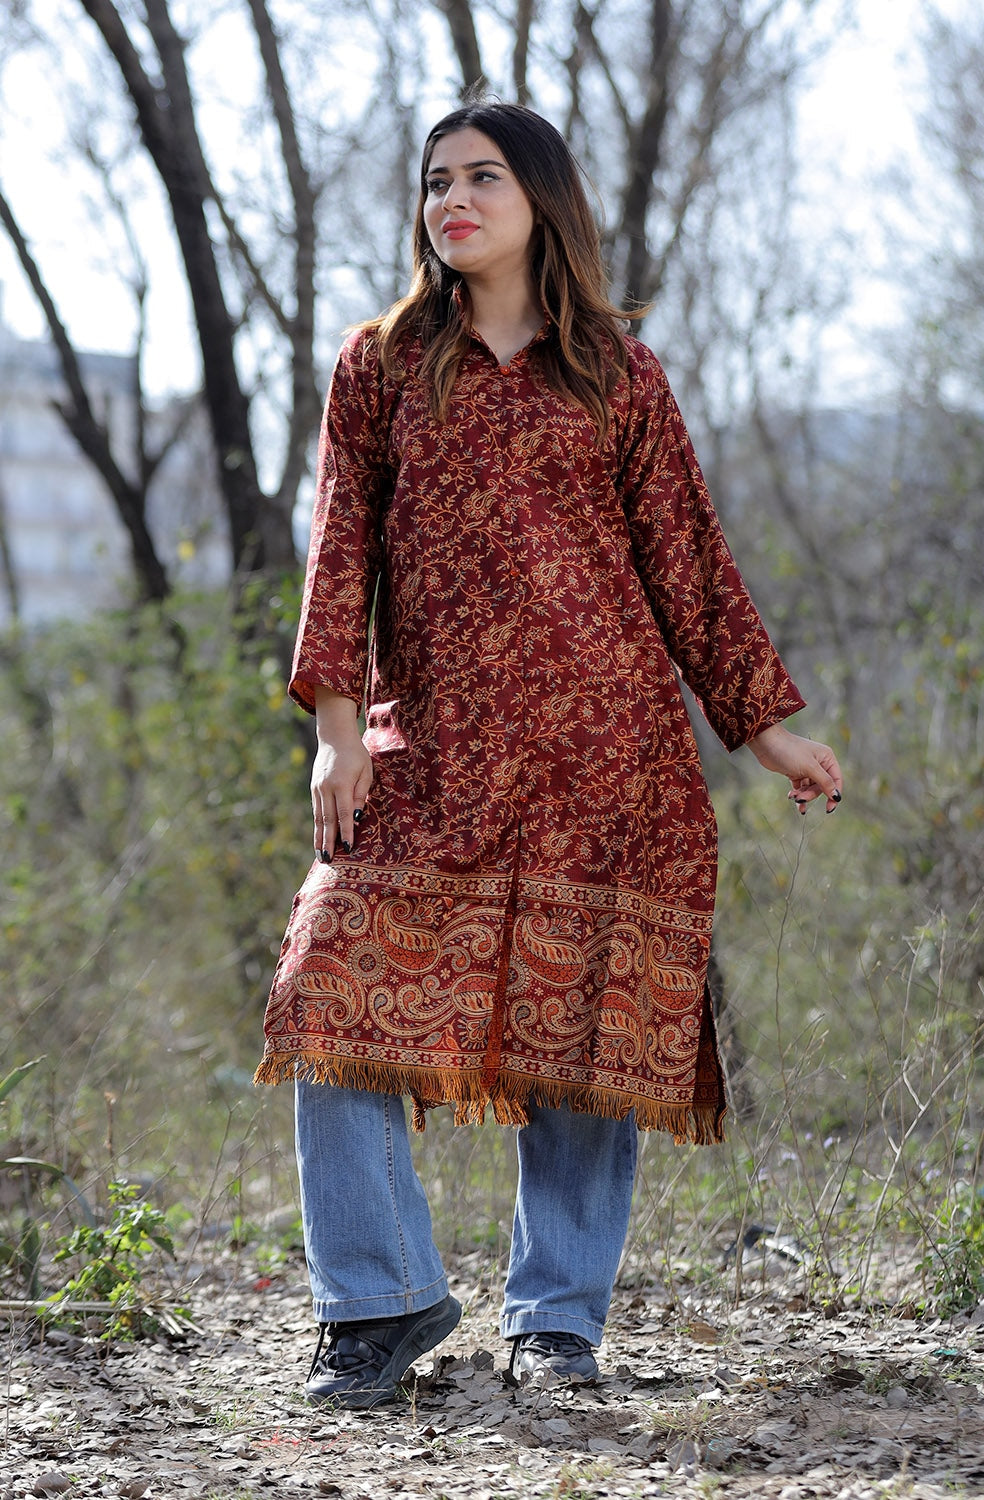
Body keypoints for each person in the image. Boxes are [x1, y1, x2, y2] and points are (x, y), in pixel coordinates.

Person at [254, 101, 843, 1408]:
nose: (450, 202)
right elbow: (340, 550)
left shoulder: (619, 376)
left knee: (584, 1043)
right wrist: (334, 735)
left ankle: (556, 1326)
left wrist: (765, 727)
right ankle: (383, 1301)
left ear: (542, 199)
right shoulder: (382, 366)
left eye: (481, 178)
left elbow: (687, 560)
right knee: (326, 986)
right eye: (434, 183)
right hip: (430, 758)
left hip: (609, 757)